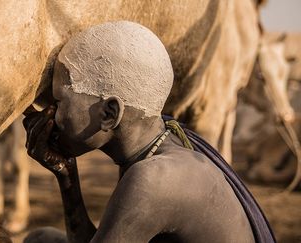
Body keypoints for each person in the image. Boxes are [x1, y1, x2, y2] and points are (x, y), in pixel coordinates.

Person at [23, 21, 274, 243]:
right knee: (41, 238)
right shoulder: (157, 148)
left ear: (109, 114)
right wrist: (66, 174)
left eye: (59, 102)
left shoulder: (153, 179)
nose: (50, 114)